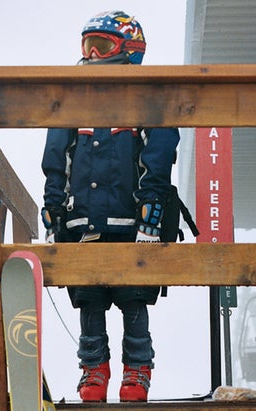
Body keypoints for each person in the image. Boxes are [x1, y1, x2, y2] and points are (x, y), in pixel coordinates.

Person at [40, 10, 180, 403]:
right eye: (87, 46)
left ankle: (137, 368)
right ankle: (93, 368)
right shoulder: (73, 102)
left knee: (132, 294)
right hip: (84, 222)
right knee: (90, 297)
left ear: (128, 50)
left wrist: (151, 213)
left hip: (130, 223)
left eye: (101, 46)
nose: (92, 55)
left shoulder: (144, 101)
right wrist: (54, 211)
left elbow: (160, 152)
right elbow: (56, 158)